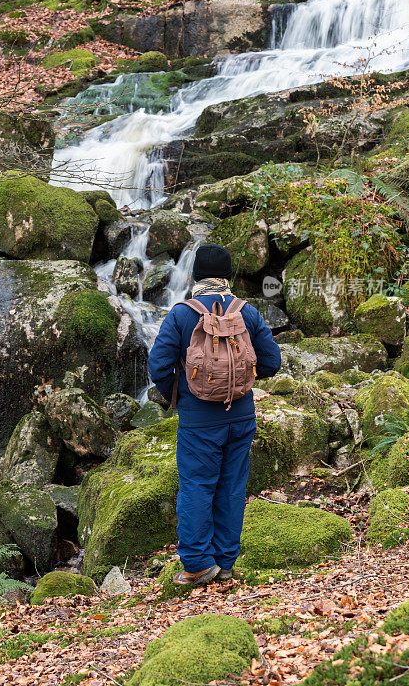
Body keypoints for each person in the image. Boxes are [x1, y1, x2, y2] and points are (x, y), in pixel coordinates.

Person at [148, 243, 282, 585]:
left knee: (196, 486)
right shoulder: (246, 312)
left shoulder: (181, 313)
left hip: (198, 420)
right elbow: (271, 362)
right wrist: (239, 383)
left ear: (195, 275)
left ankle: (196, 564)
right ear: (228, 276)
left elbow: (159, 366)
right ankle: (224, 563)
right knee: (231, 487)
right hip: (241, 417)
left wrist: (180, 396)